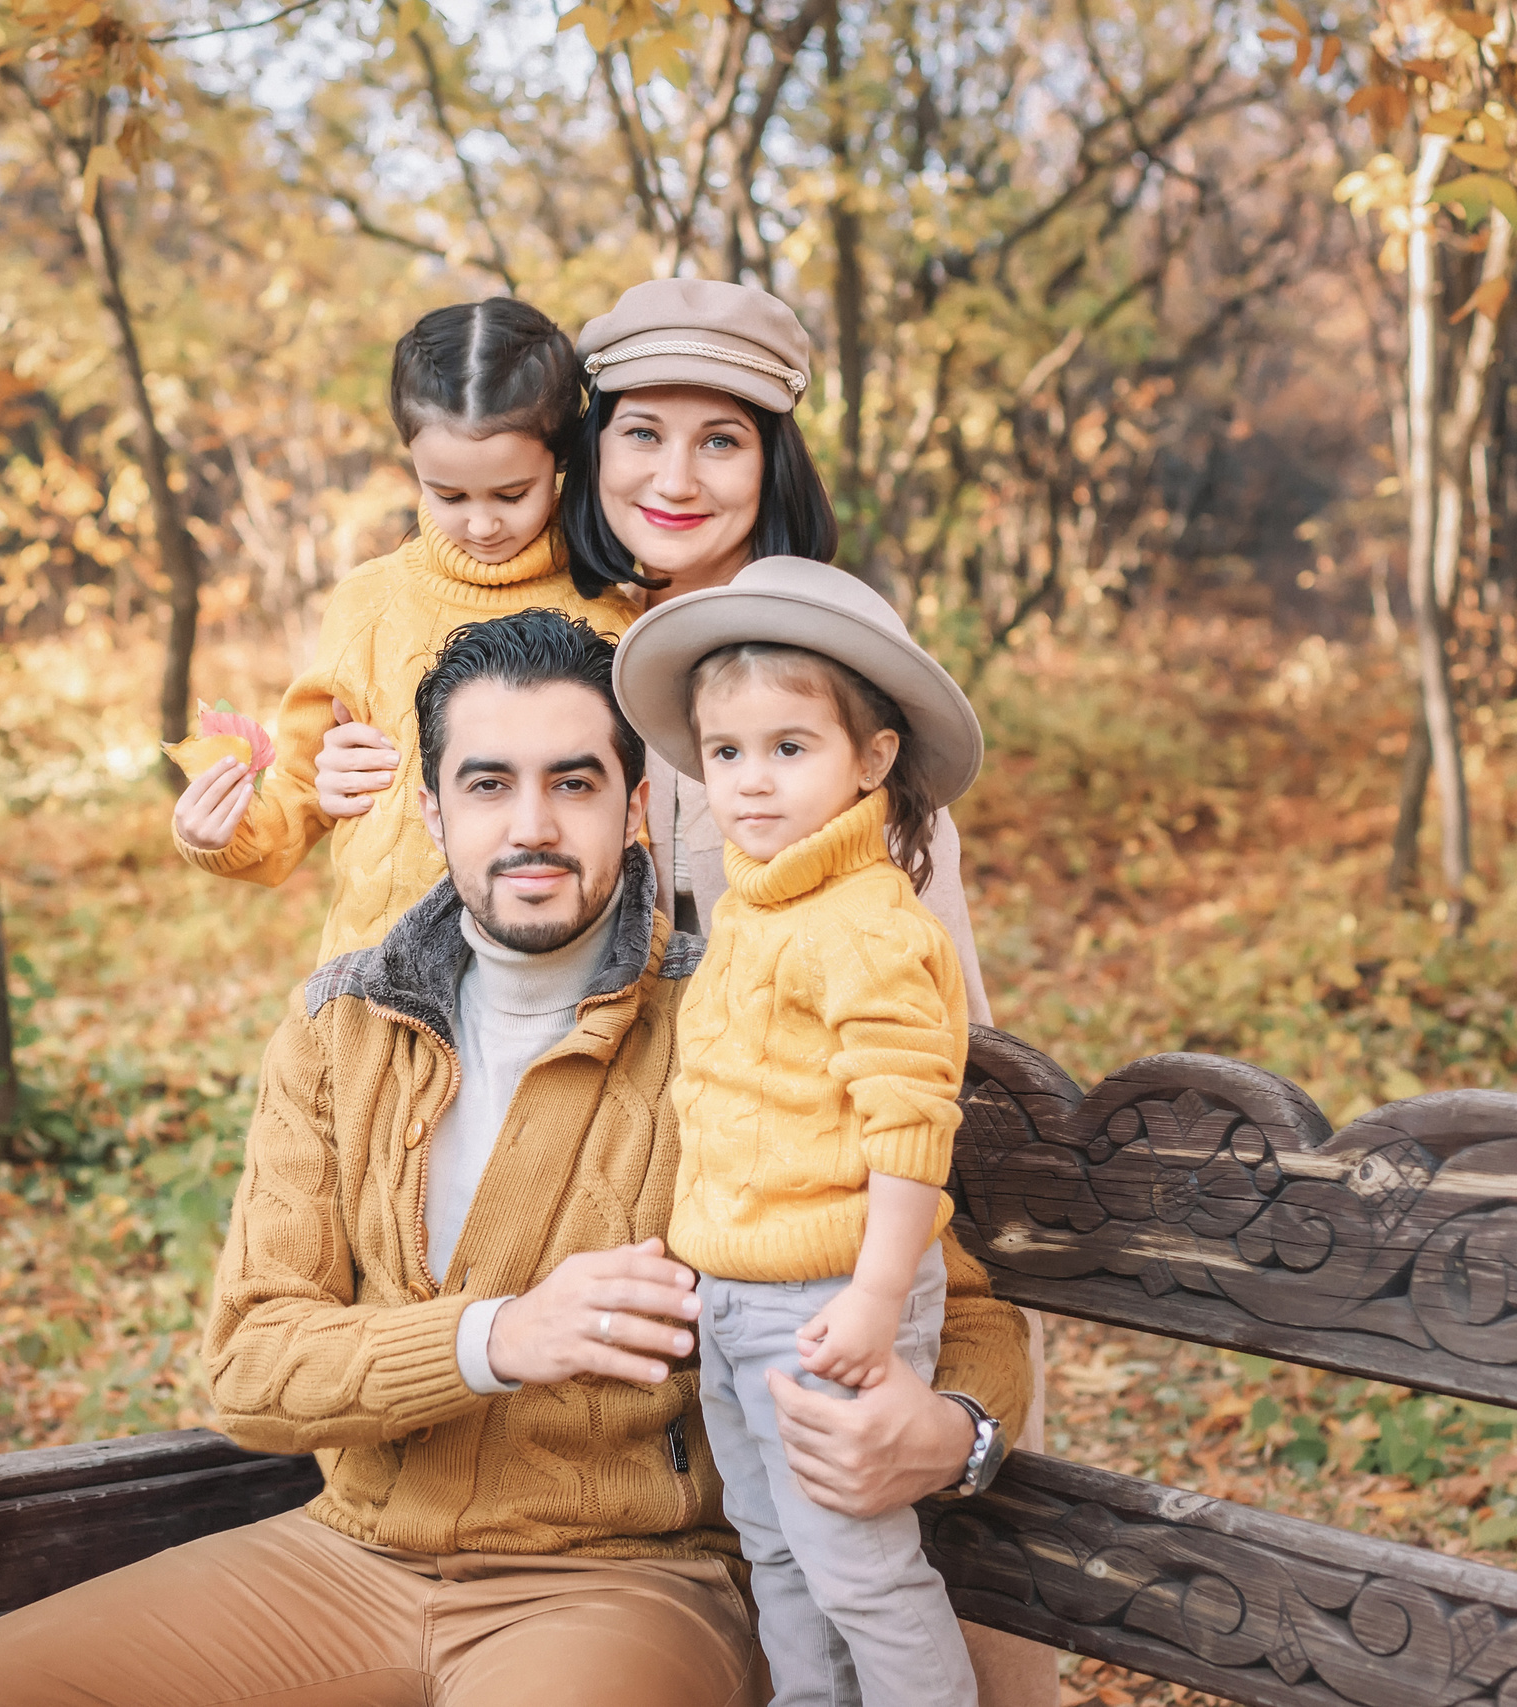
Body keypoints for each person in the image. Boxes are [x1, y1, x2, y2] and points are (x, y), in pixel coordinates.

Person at [0, 610, 1028, 1707]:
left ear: (636, 803)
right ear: (431, 809)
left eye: (573, 781)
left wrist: (953, 1431)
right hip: (343, 1558)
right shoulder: (343, 1028)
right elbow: (248, 1364)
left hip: (620, 1581)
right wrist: (499, 1336)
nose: (530, 825)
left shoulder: (728, 1013)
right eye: (487, 783)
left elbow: (960, 1308)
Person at [315, 277, 1059, 1706]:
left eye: (724, 441)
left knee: (890, 1602)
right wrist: (325, 786)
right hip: (594, 1391)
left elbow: (935, 1103)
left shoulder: (834, 739)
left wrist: (959, 1417)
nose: (673, 475)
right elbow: (413, 987)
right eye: (639, 432)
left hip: (818, 1296)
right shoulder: (548, 680)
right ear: (584, 455)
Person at [614, 557, 992, 1707]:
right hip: (735, 1299)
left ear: (870, 759)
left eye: (791, 748)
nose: (754, 782)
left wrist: (878, 1299)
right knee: (772, 1551)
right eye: (727, 754)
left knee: (859, 1570)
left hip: (830, 1297)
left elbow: (908, 1128)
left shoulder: (866, 925)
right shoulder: (756, 907)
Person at [172, 297, 629, 962]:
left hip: (560, 983)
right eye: (448, 494)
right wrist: (222, 830)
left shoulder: (612, 615)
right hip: (378, 977)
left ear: (558, 461)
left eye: (510, 494)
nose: (480, 524)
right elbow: (301, 793)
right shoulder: (369, 602)